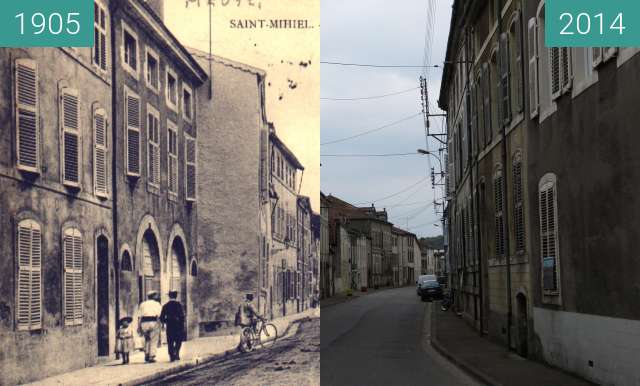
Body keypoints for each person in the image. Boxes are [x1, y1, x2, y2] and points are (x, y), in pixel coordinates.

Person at [160, 290, 185, 362]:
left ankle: (171, 355)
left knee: (170, 341)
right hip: (178, 326)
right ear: (176, 296)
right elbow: (182, 316)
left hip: (170, 326)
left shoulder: (165, 306)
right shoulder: (179, 305)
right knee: (178, 340)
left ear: (169, 296)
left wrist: (166, 321)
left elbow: (161, 317)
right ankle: (176, 353)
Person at [138, 290, 162, 363]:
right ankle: (151, 356)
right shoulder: (157, 304)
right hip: (153, 321)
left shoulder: (142, 304)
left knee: (146, 339)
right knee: (153, 339)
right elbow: (159, 315)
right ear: (154, 296)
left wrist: (139, 326)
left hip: (144, 322)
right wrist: (161, 324)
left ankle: (146, 354)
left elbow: (139, 316)